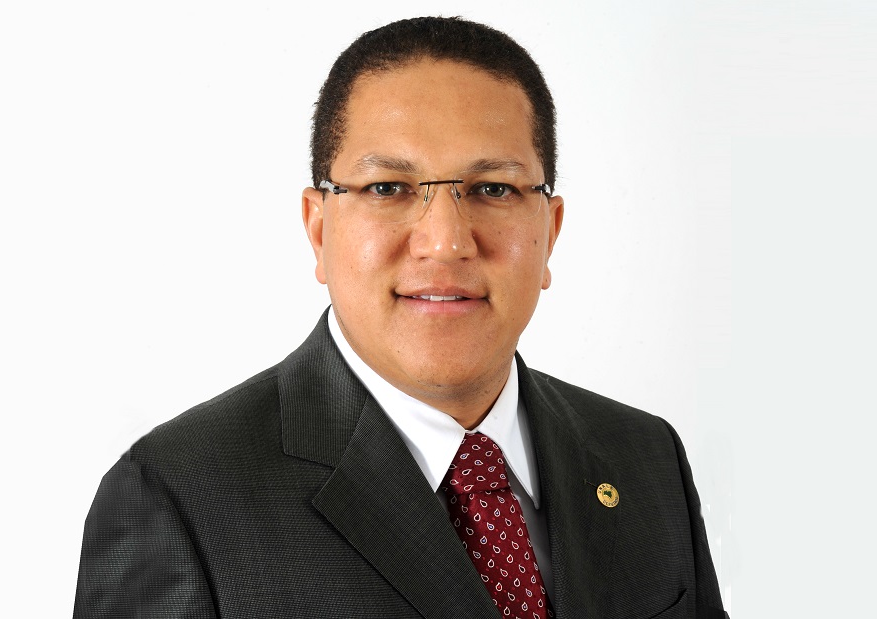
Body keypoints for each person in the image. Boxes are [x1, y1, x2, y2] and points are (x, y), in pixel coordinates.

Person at [74, 16, 728, 619]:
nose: (445, 242)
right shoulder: (176, 496)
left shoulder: (646, 458)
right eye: (388, 188)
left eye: (493, 189)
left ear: (550, 232)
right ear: (318, 229)